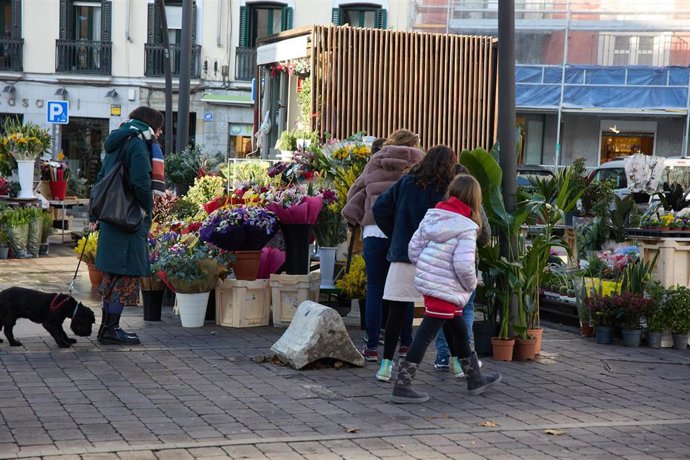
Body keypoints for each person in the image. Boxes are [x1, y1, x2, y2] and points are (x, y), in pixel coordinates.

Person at [390, 174, 502, 403]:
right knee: (424, 335)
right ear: (475, 199)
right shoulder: (467, 227)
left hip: (433, 284)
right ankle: (402, 385)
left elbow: (413, 248)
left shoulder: (433, 215)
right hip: (447, 287)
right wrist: (471, 285)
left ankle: (475, 379)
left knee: (458, 330)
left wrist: (428, 267)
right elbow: (463, 265)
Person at [372, 145, 457, 382]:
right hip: (434, 258)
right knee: (446, 312)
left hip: (403, 256)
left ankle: (386, 366)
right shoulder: (446, 189)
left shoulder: (407, 182)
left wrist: (396, 234)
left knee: (395, 315)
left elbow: (379, 208)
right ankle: (459, 363)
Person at [342, 130, 424, 362]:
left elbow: (356, 191)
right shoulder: (419, 163)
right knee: (404, 291)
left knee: (375, 289)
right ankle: (405, 344)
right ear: (414, 144)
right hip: (404, 234)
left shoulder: (376, 161)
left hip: (374, 231)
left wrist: (355, 216)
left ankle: (371, 347)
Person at [91, 106, 164, 345]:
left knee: (111, 276)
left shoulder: (119, 141)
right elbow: (141, 182)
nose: (160, 133)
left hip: (112, 215)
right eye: (160, 127)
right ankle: (111, 329)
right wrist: (146, 209)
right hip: (129, 218)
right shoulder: (139, 145)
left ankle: (105, 328)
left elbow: (102, 177)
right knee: (125, 276)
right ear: (151, 124)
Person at [434, 163, 491, 375]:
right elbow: (485, 237)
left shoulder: (441, 205)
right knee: (466, 309)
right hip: (468, 263)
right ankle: (465, 357)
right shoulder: (476, 208)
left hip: (444, 264)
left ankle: (442, 356)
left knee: (443, 311)